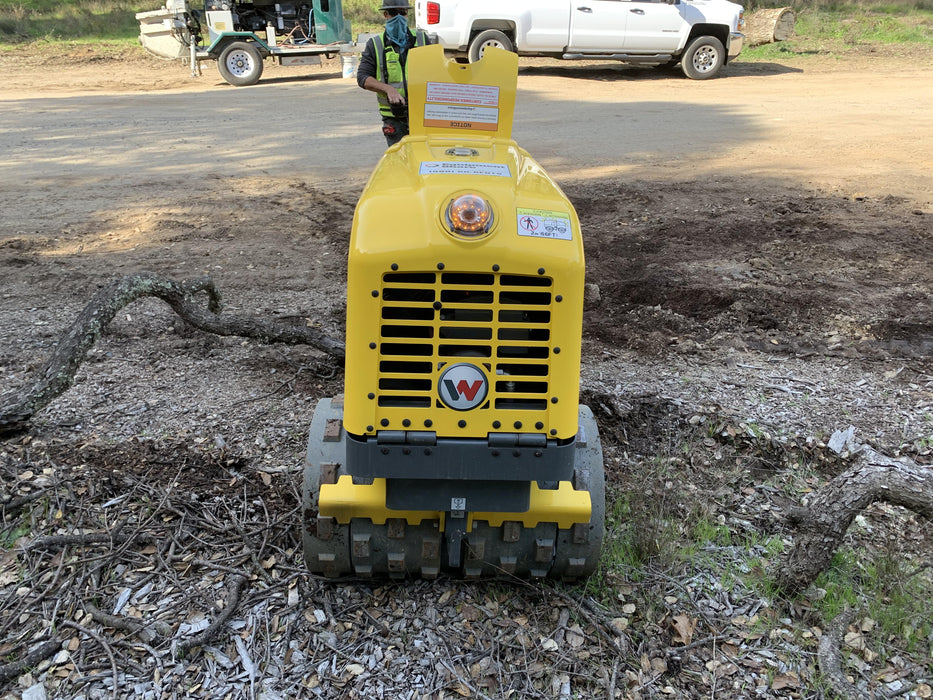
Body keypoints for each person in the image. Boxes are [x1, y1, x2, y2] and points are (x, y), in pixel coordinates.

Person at [357, 0, 432, 147]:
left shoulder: (423, 40)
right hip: (394, 117)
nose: (399, 17)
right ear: (385, 15)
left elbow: (437, 72)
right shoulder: (376, 44)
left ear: (407, 14)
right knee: (400, 161)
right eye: (393, 13)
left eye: (402, 13)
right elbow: (363, 78)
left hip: (423, 117)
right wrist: (388, 89)